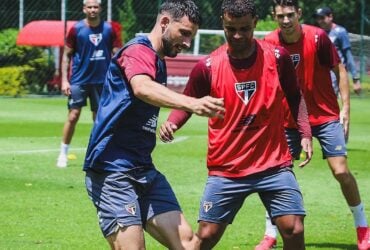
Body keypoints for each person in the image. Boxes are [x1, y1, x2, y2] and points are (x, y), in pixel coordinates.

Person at [159, 0, 313, 249]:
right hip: (227, 167)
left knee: (293, 228)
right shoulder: (207, 67)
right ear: (223, 23)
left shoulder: (277, 57)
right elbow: (186, 102)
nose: (238, 35)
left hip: (273, 163)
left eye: (244, 28)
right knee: (206, 236)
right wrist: (172, 123)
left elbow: (295, 97)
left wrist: (305, 131)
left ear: (255, 23)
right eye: (231, 29)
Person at [83, 0, 225, 249]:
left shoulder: (158, 60)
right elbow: (142, 87)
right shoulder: (138, 51)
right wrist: (192, 104)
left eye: (191, 36)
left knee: (189, 244)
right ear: (165, 22)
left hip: (143, 169)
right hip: (112, 170)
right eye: (184, 33)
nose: (187, 43)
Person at [255, 1, 370, 249]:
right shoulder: (268, 41)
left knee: (340, 170)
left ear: (299, 14)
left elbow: (339, 69)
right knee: (277, 175)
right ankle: (270, 233)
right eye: (280, 16)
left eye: (289, 15)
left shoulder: (318, 38)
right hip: (288, 119)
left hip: (325, 115)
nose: (285, 21)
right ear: (274, 17)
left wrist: (346, 108)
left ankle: (362, 226)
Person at [56, 0, 122, 168]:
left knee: (99, 119)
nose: (93, 10)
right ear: (84, 9)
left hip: (102, 81)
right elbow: (66, 55)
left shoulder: (109, 29)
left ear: (100, 8)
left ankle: (99, 154)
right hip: (79, 80)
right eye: (89, 7)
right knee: (73, 115)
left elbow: (117, 54)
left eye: (96, 7)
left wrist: (119, 77)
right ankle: (62, 153)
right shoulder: (77, 29)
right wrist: (64, 80)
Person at [313, 6, 362, 96]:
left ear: (330, 17)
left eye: (322, 18)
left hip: (335, 74)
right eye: (318, 18)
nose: (320, 21)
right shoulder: (318, 33)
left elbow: (348, 56)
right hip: (321, 74)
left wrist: (355, 79)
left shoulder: (340, 32)